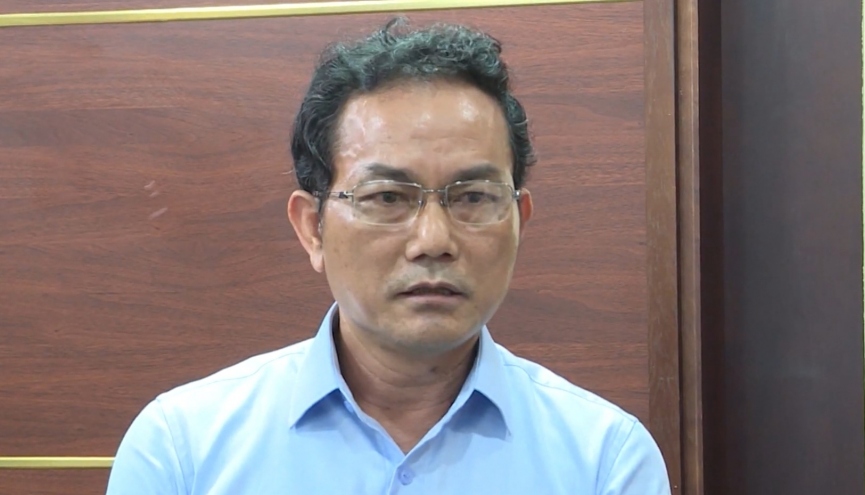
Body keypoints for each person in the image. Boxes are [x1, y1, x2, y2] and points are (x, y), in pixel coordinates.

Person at [106, 18, 671, 494]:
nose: (433, 239)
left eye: (473, 197)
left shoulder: (604, 461)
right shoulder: (182, 451)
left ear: (519, 221)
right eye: (387, 198)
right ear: (313, 229)